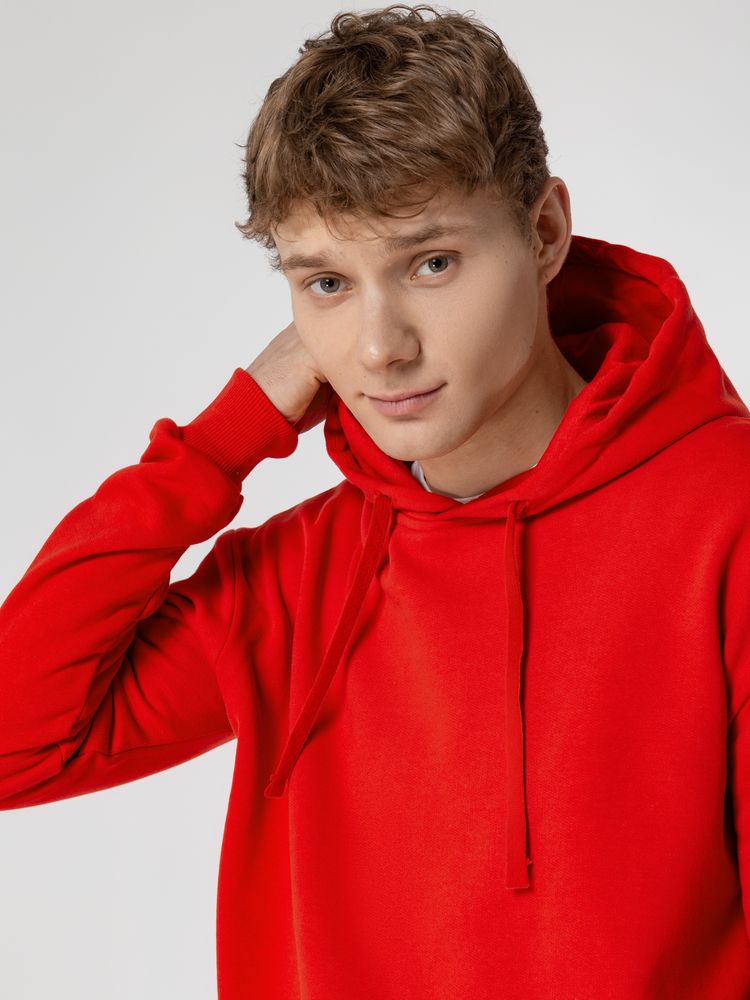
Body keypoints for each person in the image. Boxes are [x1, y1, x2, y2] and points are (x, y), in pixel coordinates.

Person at [2, 3, 750, 997]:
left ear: (544, 233)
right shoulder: (297, 579)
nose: (377, 347)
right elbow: (17, 744)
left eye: (431, 263)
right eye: (327, 283)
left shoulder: (726, 516)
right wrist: (225, 437)